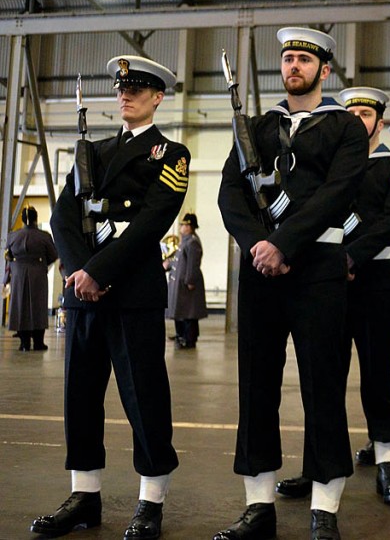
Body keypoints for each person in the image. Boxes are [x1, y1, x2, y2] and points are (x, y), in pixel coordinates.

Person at [216, 27, 368, 540]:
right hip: (260, 272)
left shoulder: (345, 128)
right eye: (287, 59)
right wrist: (259, 245)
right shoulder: (256, 128)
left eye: (304, 59)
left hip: (319, 267)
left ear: (324, 69)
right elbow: (229, 194)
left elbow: (339, 192)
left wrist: (285, 243)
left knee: (322, 384)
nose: (293, 66)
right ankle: (258, 504)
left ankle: (324, 506)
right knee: (257, 385)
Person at [38, 55, 189, 540]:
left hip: (132, 292)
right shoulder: (93, 151)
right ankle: (84, 494)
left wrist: (98, 270)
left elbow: (152, 221)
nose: (125, 94)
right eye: (122, 87)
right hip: (84, 294)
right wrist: (79, 269)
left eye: (137, 88)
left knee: (143, 397)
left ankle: (151, 499)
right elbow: (63, 216)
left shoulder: (171, 153)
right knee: (79, 396)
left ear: (157, 97)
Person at [275, 87, 390, 507]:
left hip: (375, 280)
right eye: (350, 112)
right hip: (328, 282)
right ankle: (316, 465)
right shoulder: (331, 165)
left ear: (379, 123)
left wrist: (352, 256)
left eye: (364, 114)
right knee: (323, 381)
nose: (357, 119)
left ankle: (387, 462)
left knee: (377, 375)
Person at [4, 205, 58, 351]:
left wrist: (7, 277)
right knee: (38, 307)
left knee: (20, 306)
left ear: (22, 219)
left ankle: (24, 343)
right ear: (36, 218)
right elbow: (53, 255)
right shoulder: (44, 236)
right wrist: (42, 263)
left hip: (17, 275)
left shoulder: (12, 236)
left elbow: (8, 257)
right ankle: (39, 343)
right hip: (38, 274)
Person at [164, 212, 207, 349]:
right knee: (181, 312)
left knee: (189, 313)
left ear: (189, 226)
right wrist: (168, 264)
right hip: (180, 283)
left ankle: (189, 339)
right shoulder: (186, 240)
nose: (181, 227)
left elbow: (192, 264)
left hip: (186, 283)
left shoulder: (192, 242)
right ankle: (180, 335)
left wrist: (190, 280)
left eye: (183, 225)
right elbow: (179, 259)